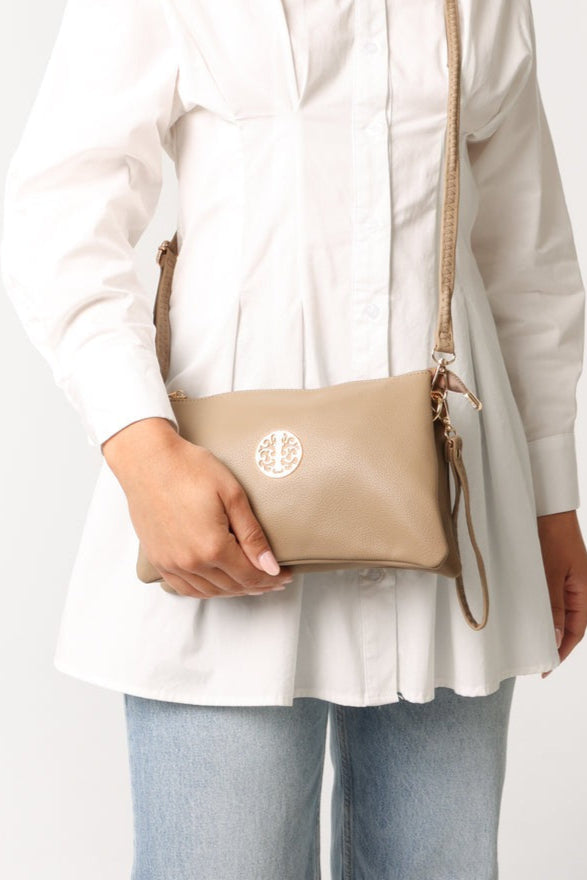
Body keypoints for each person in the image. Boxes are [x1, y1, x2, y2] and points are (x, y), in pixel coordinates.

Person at [2, 0, 586, 877]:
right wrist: (139, 450)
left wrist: (548, 498)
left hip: (457, 531)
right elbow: (61, 211)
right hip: (220, 520)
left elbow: (524, 254)